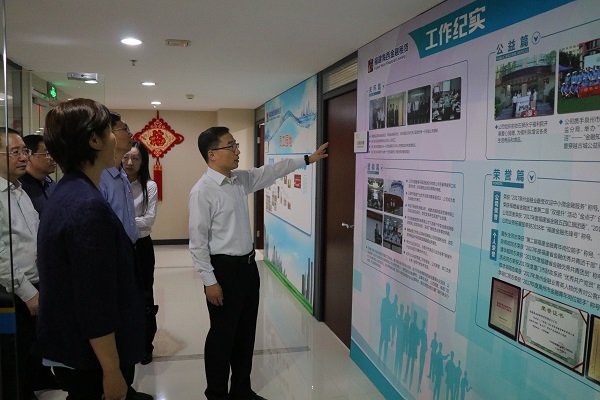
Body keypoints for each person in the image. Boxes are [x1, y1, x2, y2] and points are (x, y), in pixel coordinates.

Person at [189, 126, 328, 400]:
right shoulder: (202, 192)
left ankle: (241, 390)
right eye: (231, 146)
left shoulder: (239, 180)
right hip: (224, 271)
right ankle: (216, 393)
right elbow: (197, 243)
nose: (237, 151)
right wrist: (210, 281)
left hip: (248, 268)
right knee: (222, 336)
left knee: (246, 333)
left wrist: (307, 159)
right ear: (212, 154)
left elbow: (271, 171)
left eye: (236, 145)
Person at [36, 98, 152, 400]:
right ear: (94, 140)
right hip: (91, 360)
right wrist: (111, 371)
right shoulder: (86, 206)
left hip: (77, 348)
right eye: (111, 131)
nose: (118, 138)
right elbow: (94, 300)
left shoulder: (69, 190)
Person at [0, 128, 41, 399]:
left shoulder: (19, 191)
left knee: (27, 355)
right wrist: (27, 292)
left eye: (24, 151)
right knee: (11, 359)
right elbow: (1, 255)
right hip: (10, 293)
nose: (24, 157)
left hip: (32, 285)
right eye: (14, 152)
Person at [122, 141, 159, 365]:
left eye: (135, 158)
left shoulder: (149, 186)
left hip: (142, 247)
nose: (130, 162)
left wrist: (122, 221)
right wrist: (132, 221)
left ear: (143, 162)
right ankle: (126, 341)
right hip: (119, 246)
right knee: (123, 295)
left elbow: (149, 220)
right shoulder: (113, 184)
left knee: (145, 294)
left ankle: (146, 345)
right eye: (126, 157)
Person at [100, 111, 138, 244]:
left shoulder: (122, 175)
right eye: (125, 129)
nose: (130, 134)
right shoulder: (100, 179)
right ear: (108, 134)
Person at [19, 134, 57, 216]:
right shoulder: (20, 188)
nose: (53, 158)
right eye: (47, 153)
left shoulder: (51, 184)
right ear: (28, 155)